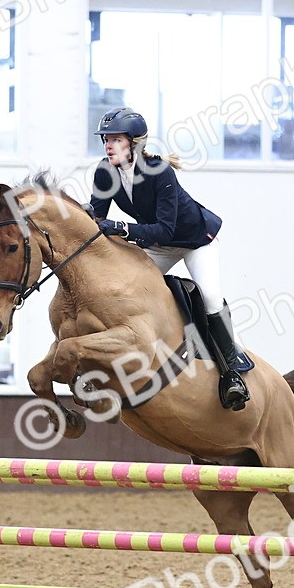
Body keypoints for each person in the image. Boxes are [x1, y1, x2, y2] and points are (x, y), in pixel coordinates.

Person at [88, 107, 251, 411]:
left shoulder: (160, 172)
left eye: (115, 140)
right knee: (128, 289)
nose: (108, 145)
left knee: (211, 296)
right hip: (158, 244)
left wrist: (121, 228)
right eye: (106, 139)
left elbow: (165, 229)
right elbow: (96, 218)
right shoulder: (105, 171)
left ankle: (233, 370)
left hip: (193, 240)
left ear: (134, 143)